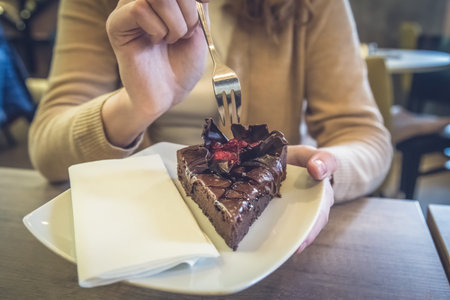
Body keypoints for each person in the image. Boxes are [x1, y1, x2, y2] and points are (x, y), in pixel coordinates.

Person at [29, 0, 392, 252]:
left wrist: (319, 172)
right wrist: (136, 104)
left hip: (275, 239)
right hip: (136, 229)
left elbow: (365, 137)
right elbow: (46, 150)